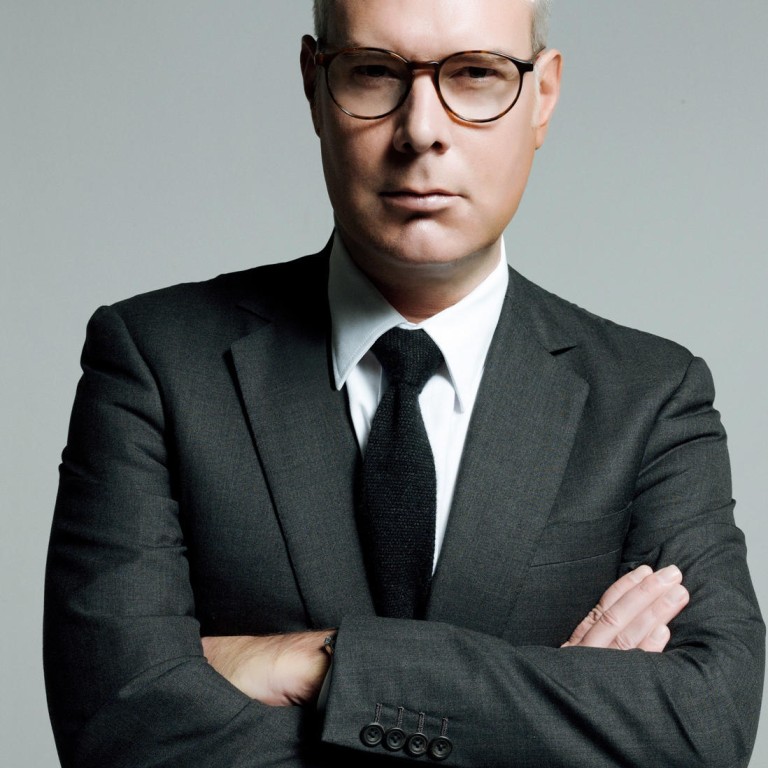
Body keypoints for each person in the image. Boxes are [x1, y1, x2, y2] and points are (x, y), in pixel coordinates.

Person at [44, 1, 764, 766]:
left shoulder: (651, 399)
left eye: (477, 74)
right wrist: (546, 721)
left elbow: (704, 727)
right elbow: (113, 727)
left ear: (543, 96)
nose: (421, 130)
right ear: (315, 86)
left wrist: (327, 664)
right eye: (374, 73)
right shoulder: (155, 364)